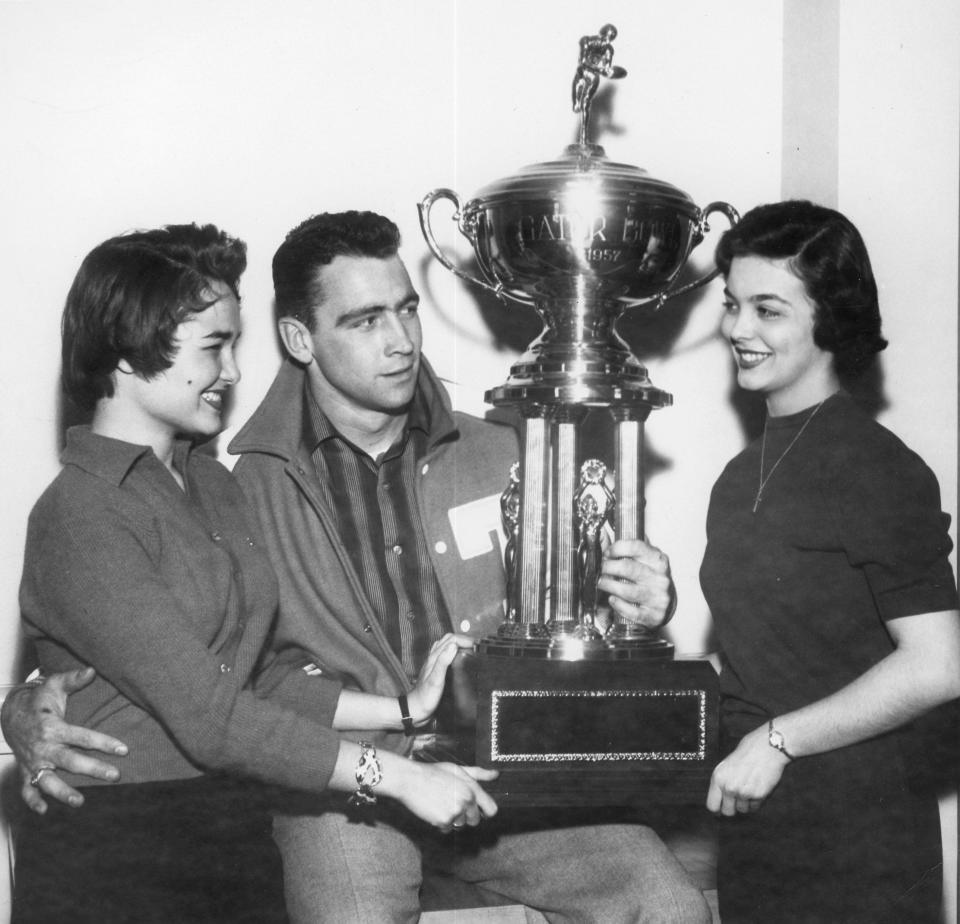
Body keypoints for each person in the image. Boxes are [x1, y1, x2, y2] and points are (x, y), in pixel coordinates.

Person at [4, 211, 712, 924]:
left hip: (498, 777)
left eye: (406, 310)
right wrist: (23, 700)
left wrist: (637, 604)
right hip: (333, 797)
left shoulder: (508, 453)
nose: (401, 341)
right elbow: (200, 675)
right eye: (366, 320)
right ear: (299, 339)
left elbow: (577, 622)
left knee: (668, 902)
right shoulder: (246, 481)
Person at [7, 223, 497, 924]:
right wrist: (400, 778)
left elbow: (256, 678)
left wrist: (408, 707)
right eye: (214, 346)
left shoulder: (212, 484)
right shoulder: (78, 514)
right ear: (126, 352)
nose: (234, 372)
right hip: (115, 851)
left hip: (232, 832)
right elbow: (211, 716)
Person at [701, 200, 960, 923]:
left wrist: (778, 741)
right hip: (757, 816)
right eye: (731, 305)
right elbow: (773, 654)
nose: (737, 330)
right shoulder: (736, 476)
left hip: (859, 830)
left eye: (767, 309)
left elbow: (939, 664)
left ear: (830, 318)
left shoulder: (877, 468)